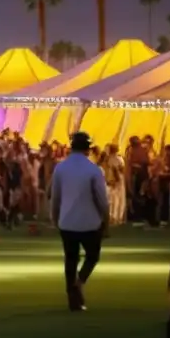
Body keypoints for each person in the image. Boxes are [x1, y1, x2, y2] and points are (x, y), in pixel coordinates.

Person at [50, 131, 109, 312]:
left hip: (66, 222)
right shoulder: (93, 169)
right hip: (89, 222)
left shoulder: (60, 168)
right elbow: (102, 200)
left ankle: (72, 297)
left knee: (70, 259)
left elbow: (55, 197)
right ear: (88, 149)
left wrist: (55, 218)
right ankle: (80, 281)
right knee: (92, 256)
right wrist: (105, 221)